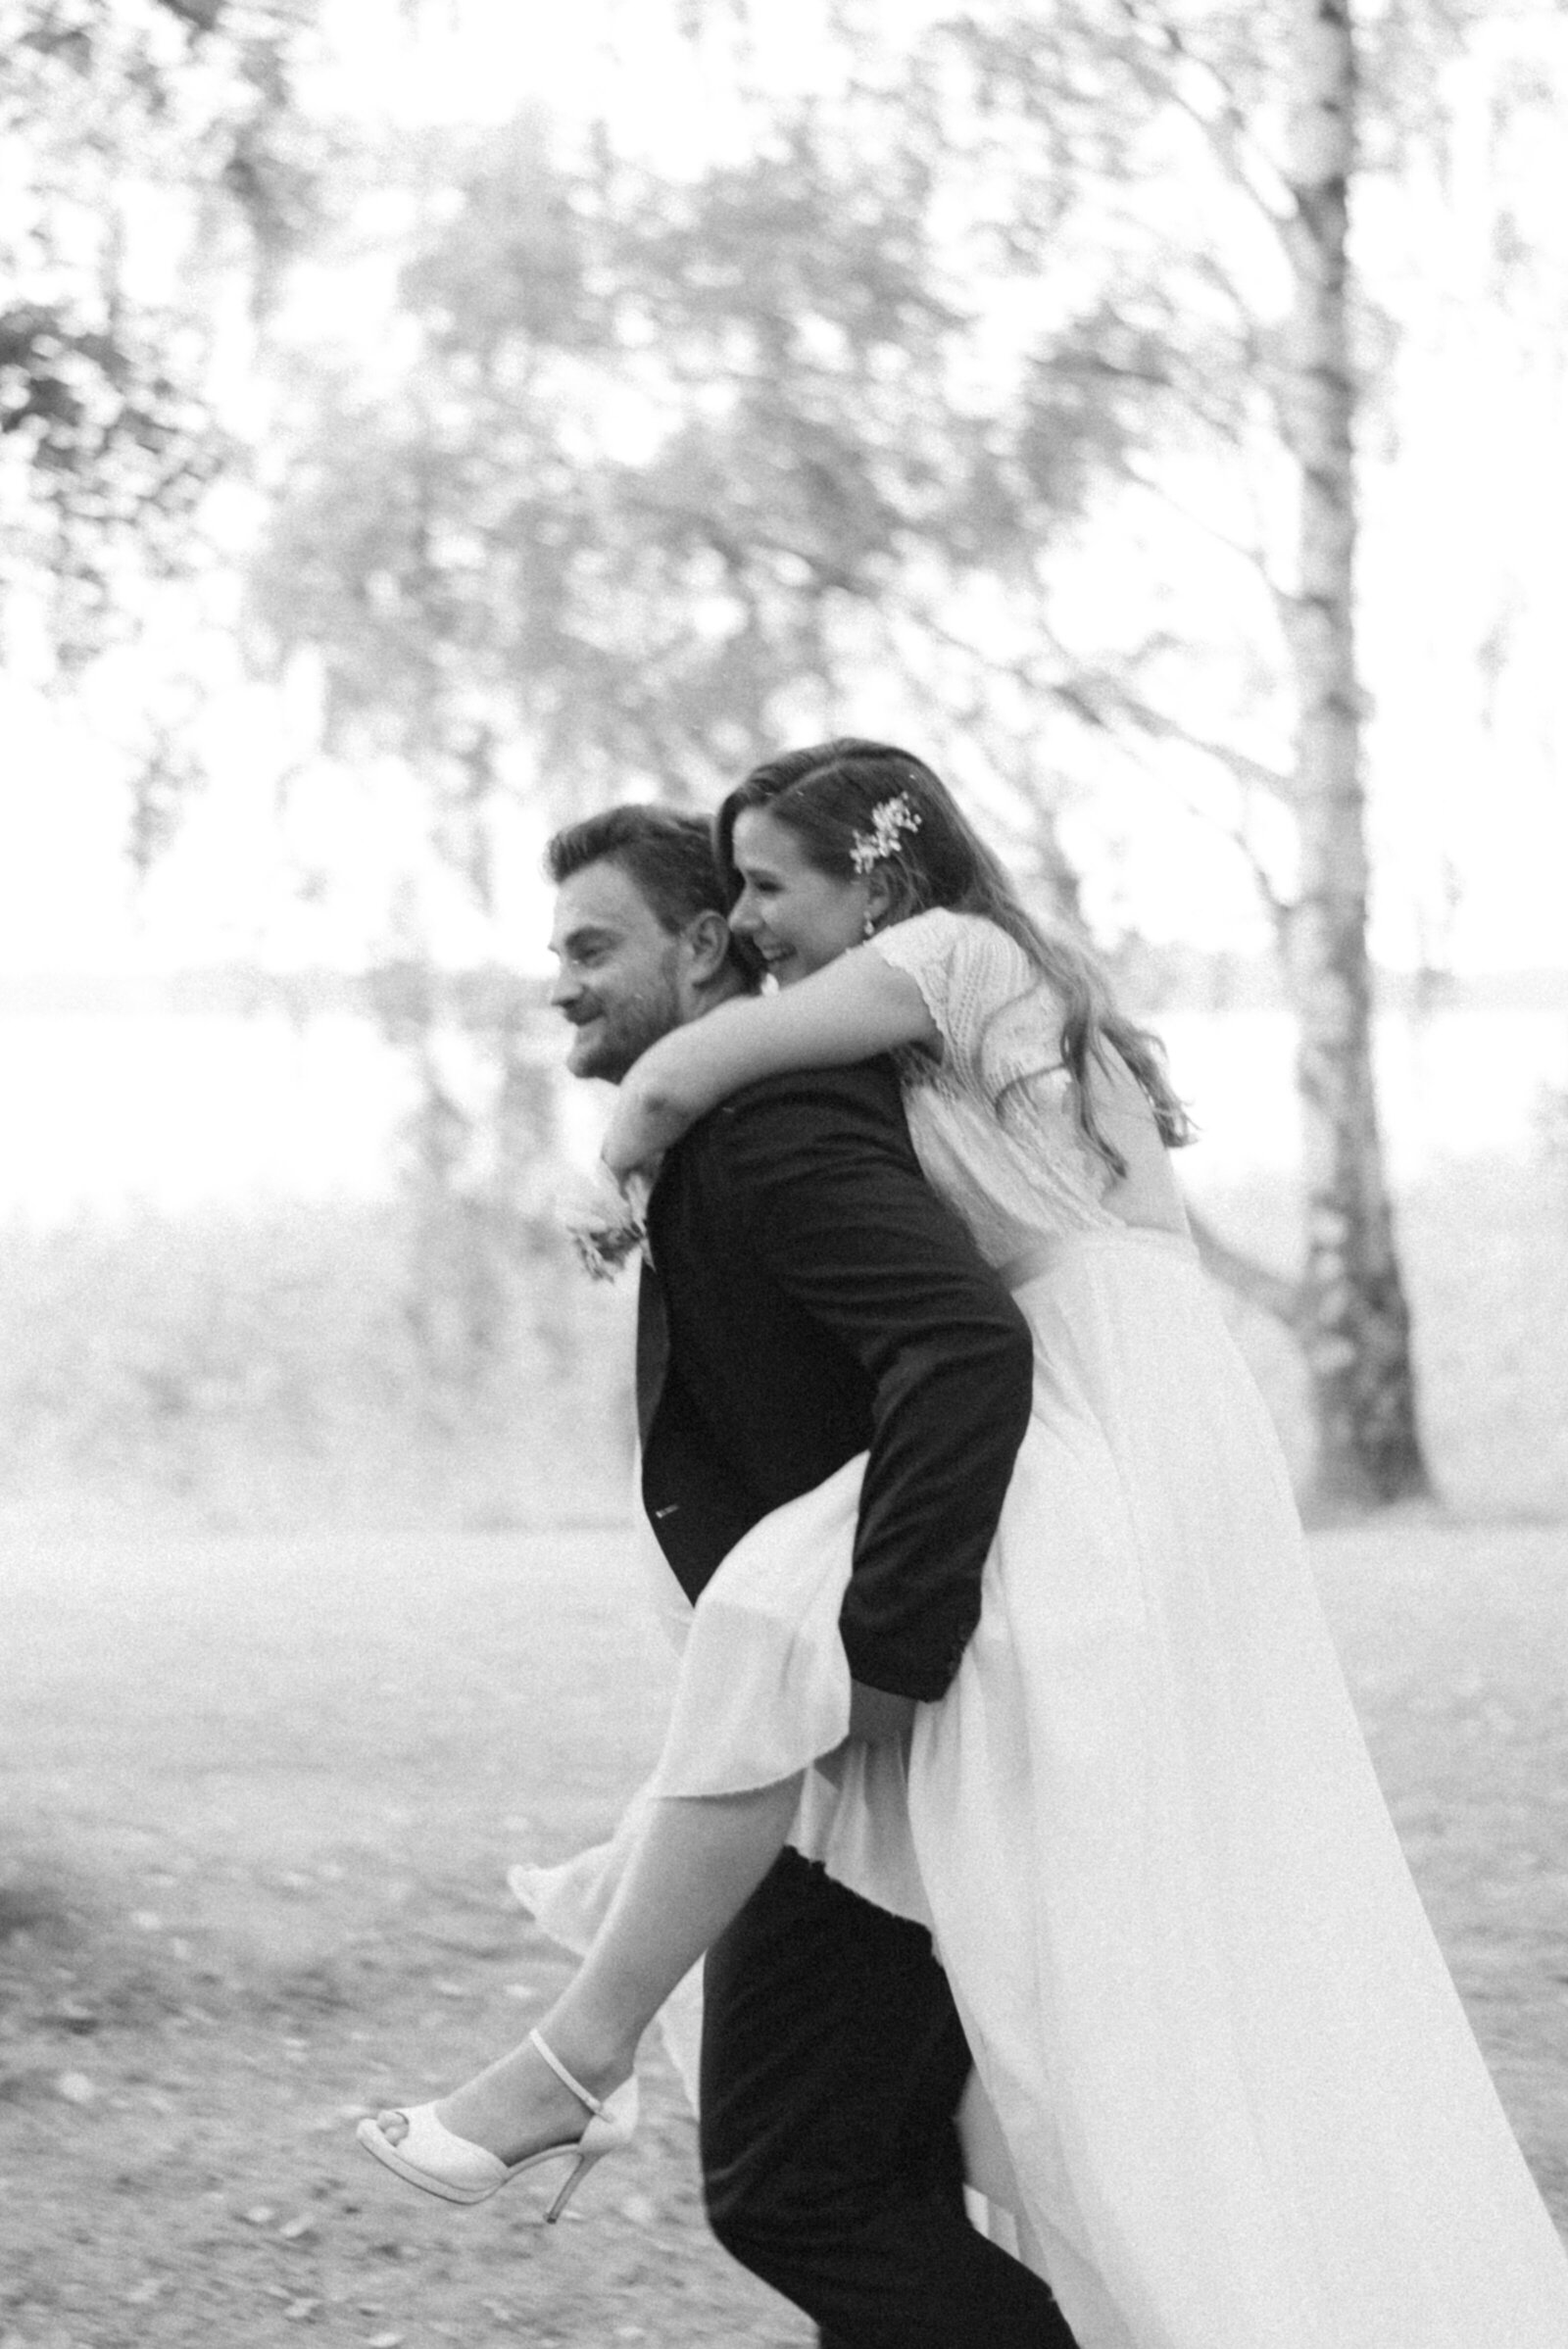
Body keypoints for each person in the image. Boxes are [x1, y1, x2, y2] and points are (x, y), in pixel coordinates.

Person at [366, 746, 1568, 2347]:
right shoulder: (1013, 982)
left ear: (877, 874)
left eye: (771, 890)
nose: (756, 926)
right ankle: (592, 2017)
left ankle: (579, 2051)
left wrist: (616, 1170)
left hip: (1080, 1396)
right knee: (777, 1640)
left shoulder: (948, 955)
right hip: (1143, 1407)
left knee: (778, 1626)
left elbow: (676, 1080)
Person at [360, 803, 1076, 2347]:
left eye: (593, 946)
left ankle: (566, 2071)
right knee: (864, 2169)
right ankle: (570, 2066)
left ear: (704, 945)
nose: (560, 981)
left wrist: (889, 1659)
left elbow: (961, 1348)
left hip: (888, 1729)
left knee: (795, 2183)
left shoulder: (770, 1123)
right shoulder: (732, 1121)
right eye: (554, 950)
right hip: (830, 1734)